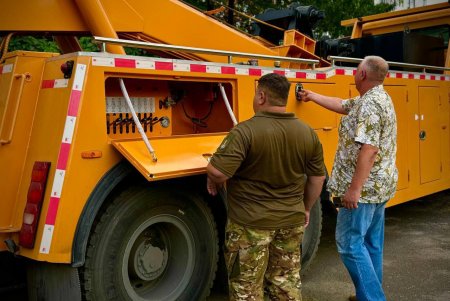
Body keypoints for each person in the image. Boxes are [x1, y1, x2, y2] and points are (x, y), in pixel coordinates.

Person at [206, 73, 326, 301]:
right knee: (286, 284)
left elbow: (219, 171)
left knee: (247, 290)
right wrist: (307, 208)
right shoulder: (307, 132)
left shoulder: (245, 131)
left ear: (261, 96)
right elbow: (317, 178)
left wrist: (214, 178)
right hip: (291, 221)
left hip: (250, 225)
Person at [298, 55, 398, 301]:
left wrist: (354, 190)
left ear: (363, 75)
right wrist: (311, 96)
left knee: (349, 245)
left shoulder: (371, 105)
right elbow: (342, 105)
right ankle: (368, 294)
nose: (354, 73)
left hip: (364, 192)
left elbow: (370, 149)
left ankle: (374, 298)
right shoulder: (375, 98)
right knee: (371, 244)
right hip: (379, 187)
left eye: (356, 69)